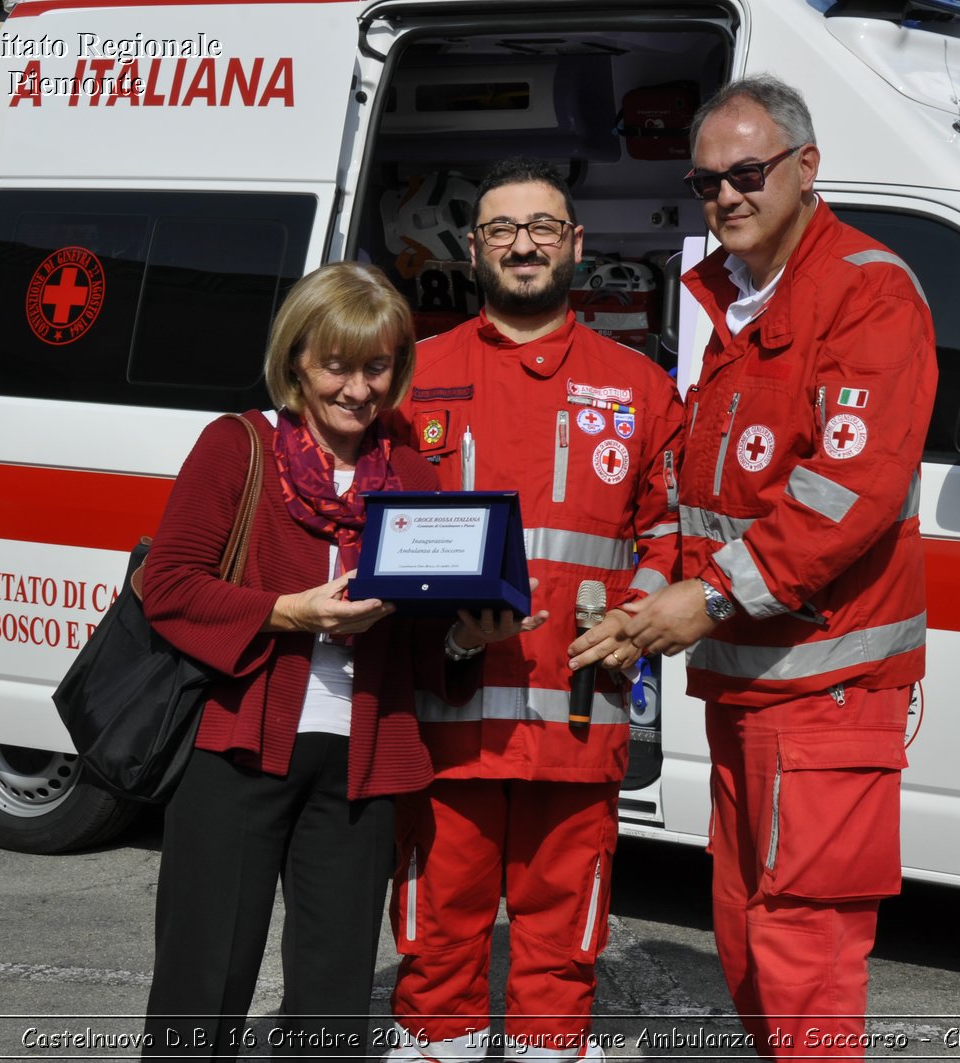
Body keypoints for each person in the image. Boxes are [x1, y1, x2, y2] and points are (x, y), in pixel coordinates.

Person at [568, 76, 937, 1059]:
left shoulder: (864, 289)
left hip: (823, 688)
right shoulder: (739, 303)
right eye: (705, 182)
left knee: (800, 948)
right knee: (746, 934)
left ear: (805, 168)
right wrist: (647, 599)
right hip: (751, 687)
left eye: (745, 172)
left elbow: (845, 491)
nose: (725, 196)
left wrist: (713, 595)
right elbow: (707, 501)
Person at [139, 262, 529, 1059]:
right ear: (297, 362)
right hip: (236, 750)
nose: (359, 388)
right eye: (338, 365)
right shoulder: (236, 446)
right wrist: (287, 612)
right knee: (202, 982)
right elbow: (169, 587)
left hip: (360, 764)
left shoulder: (411, 471)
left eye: (378, 365)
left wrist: (465, 637)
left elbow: (421, 639)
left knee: (333, 998)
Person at [382, 157, 682, 1063]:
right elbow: (375, 526)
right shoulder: (413, 376)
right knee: (439, 930)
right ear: (473, 247)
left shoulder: (641, 386)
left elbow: (669, 533)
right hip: (448, 713)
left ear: (575, 245)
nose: (523, 245)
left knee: (561, 939)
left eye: (543, 228)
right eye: (503, 229)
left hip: (576, 712)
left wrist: (633, 617)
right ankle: (438, 1047)